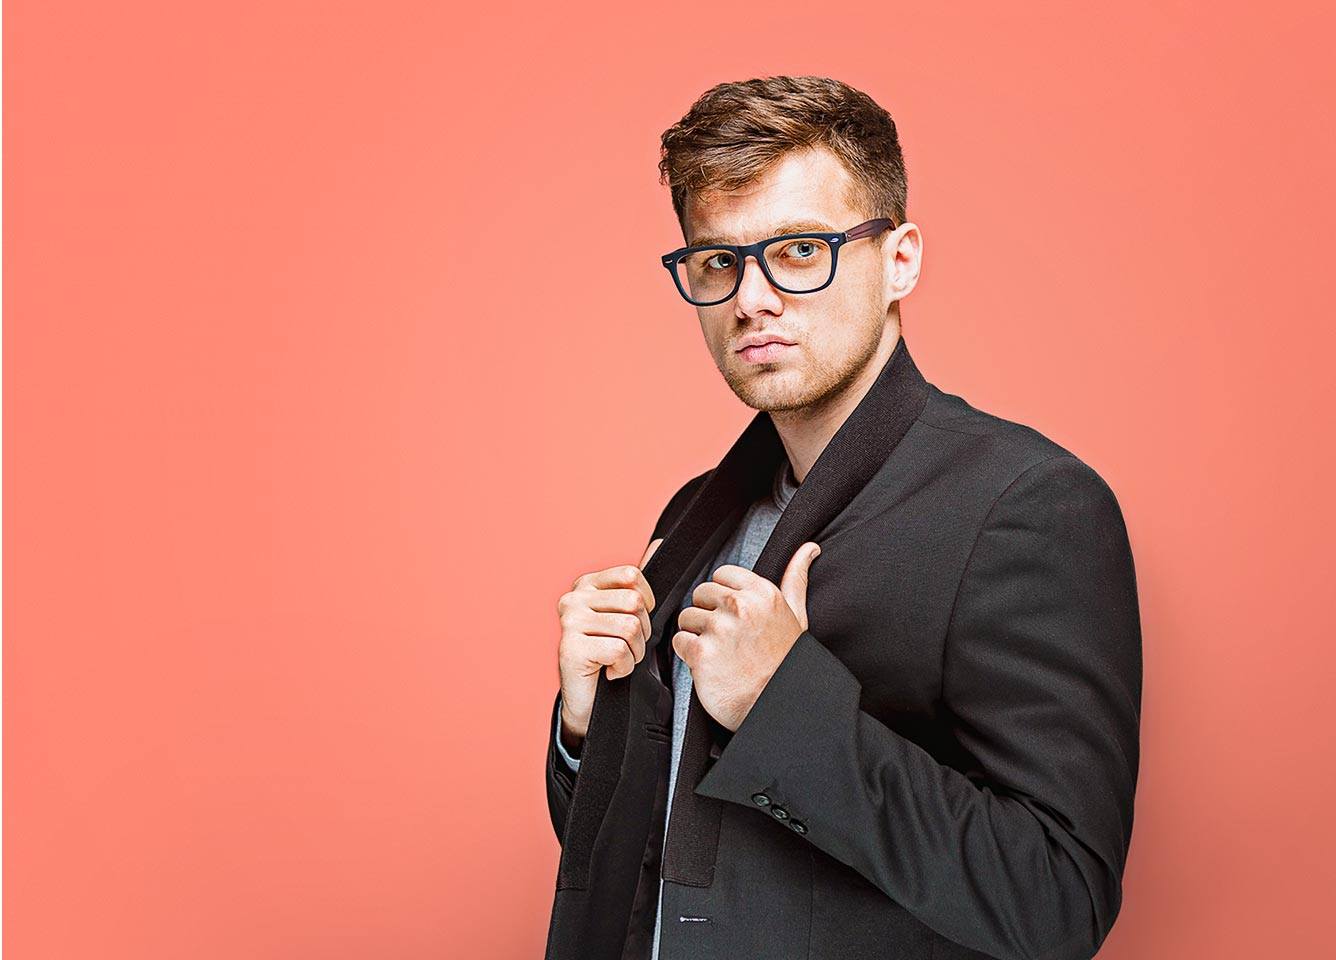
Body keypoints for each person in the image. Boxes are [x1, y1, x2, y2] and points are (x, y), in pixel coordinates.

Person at [543, 75, 1142, 960]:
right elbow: (656, 858)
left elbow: (1057, 899)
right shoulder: (694, 514)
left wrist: (783, 705)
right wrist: (587, 729)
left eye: (798, 250)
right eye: (718, 261)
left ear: (900, 260)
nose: (751, 299)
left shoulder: (1027, 505)